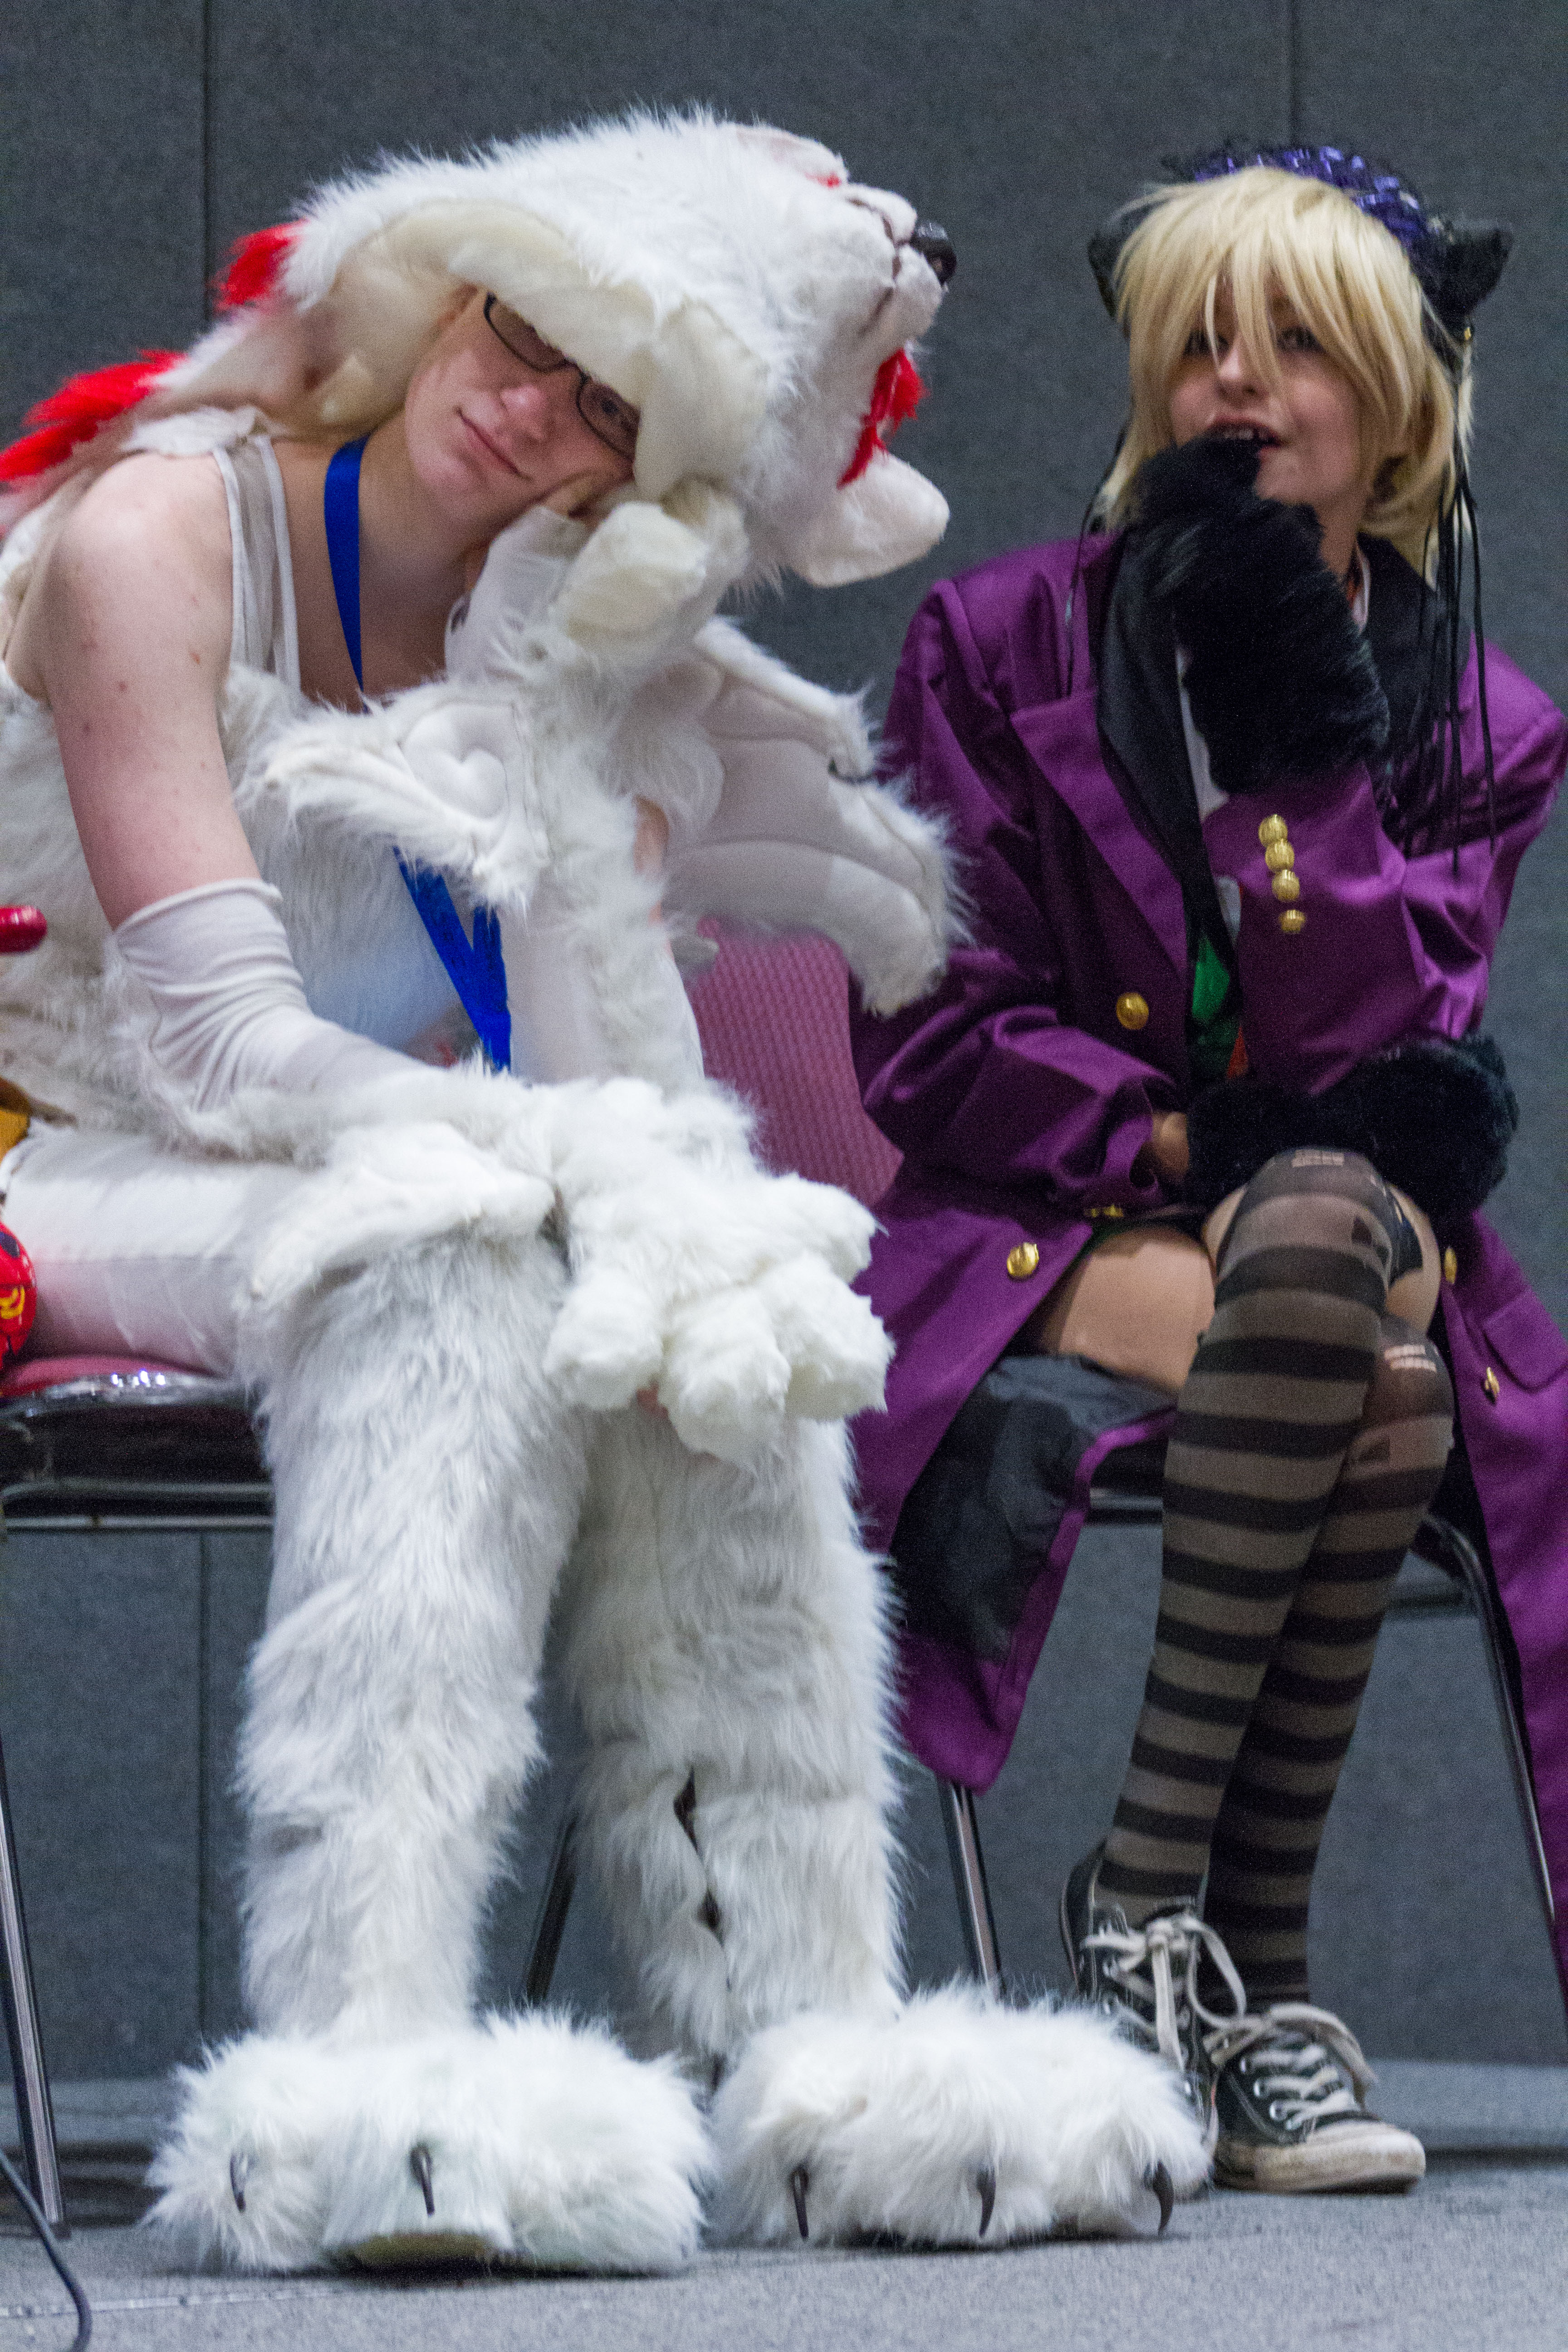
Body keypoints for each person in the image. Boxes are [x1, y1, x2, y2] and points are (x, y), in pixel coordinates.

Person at [0, 114, 1206, 2271]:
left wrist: (646, 1188)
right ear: (448, 294)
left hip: (396, 1157)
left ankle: (810, 2048)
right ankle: (358, 2060)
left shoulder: (575, 628)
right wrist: (551, 1154)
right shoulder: (157, 534)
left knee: (713, 1289)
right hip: (66, 1144)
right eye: (520, 331)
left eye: (608, 409)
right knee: (456, 1254)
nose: (526, 402)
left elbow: (591, 1065)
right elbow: (210, 1048)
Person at [851, 147, 1568, 2196]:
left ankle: (1144, 1906)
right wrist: (1183, 1142)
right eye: (1199, 347)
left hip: (1332, 1221)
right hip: (1050, 1215)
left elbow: (1383, 1055)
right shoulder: (997, 641)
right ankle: (1249, 1971)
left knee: (1335, 1242)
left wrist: (1288, 747)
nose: (1236, 386)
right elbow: (931, 1036)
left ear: (1399, 406)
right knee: (1385, 1378)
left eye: (1297, 348)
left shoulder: (1490, 718)